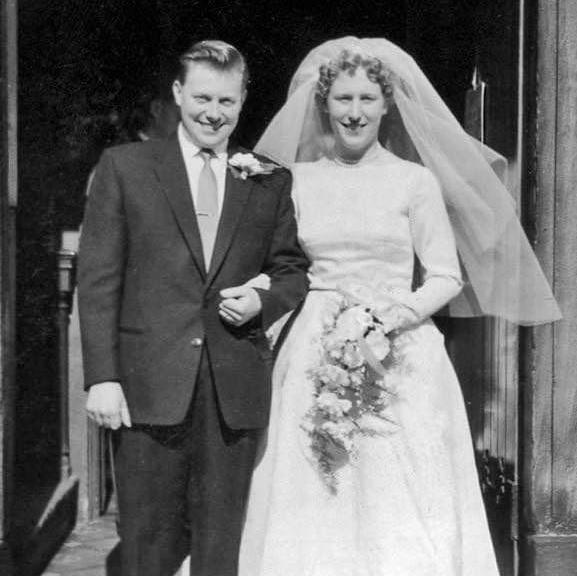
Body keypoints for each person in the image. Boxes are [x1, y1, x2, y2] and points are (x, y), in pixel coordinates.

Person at [238, 37, 561, 576]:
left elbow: (444, 276)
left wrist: (388, 317)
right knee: (315, 476)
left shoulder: (415, 182)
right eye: (343, 99)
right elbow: (283, 266)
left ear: (387, 105)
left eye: (367, 99)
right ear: (324, 104)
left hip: (396, 344)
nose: (355, 113)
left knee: (397, 474)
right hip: (313, 338)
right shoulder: (298, 181)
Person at [77, 40, 309, 576]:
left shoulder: (268, 178)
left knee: (220, 542)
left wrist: (262, 299)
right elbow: (97, 281)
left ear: (243, 100)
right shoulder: (126, 168)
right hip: (148, 383)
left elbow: (292, 269)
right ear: (179, 94)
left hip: (232, 387)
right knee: (145, 537)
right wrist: (103, 377)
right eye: (203, 97)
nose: (213, 113)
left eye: (227, 101)